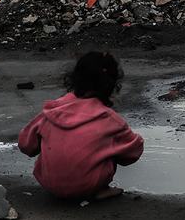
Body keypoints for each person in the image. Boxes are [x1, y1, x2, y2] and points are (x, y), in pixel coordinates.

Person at [18, 52, 143, 200]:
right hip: (88, 186)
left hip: (48, 184)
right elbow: (133, 152)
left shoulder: (52, 111)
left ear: (74, 78)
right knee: (111, 146)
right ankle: (101, 189)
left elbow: (25, 145)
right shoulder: (109, 119)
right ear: (112, 85)